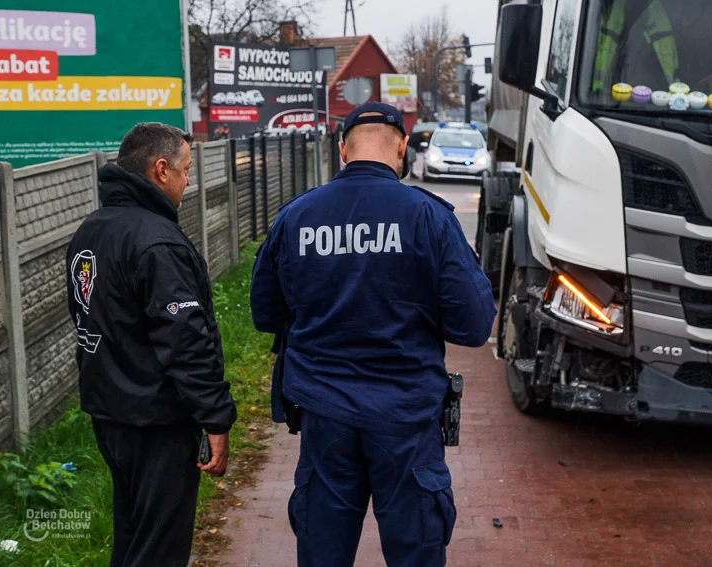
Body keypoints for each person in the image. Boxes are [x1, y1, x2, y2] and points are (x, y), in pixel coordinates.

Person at [250, 101, 497, 567]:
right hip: (406, 417)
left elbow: (265, 313)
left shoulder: (296, 217)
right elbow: (474, 325)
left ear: (342, 149)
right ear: (402, 148)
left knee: (322, 553)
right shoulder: (430, 218)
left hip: (324, 416)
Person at [66, 122, 237, 567]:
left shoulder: (92, 230)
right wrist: (215, 416)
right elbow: (184, 341)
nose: (187, 182)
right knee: (159, 548)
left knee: (132, 536)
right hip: (156, 423)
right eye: (185, 170)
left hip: (110, 415)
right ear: (160, 170)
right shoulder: (157, 241)